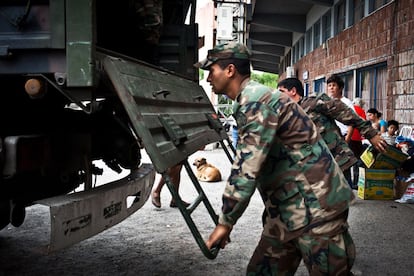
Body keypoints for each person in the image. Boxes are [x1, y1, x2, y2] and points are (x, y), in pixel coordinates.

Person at [195, 42, 356, 275]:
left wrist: (225, 221)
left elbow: (247, 167)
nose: (208, 78)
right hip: (289, 210)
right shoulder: (250, 100)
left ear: (230, 70)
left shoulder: (256, 101)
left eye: (211, 70)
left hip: (317, 208)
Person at [278, 78, 386, 190]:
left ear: (293, 91)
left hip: (336, 161)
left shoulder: (313, 102)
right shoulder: (288, 115)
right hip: (312, 168)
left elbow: (345, 113)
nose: (278, 97)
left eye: (281, 92)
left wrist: (371, 134)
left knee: (338, 203)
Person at [326, 74, 357, 188]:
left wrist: (346, 141)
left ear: (340, 88)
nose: (331, 88)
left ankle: (348, 192)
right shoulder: (327, 102)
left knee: (344, 165)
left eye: (334, 85)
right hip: (330, 138)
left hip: (343, 138)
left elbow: (352, 124)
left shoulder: (346, 103)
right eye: (329, 85)